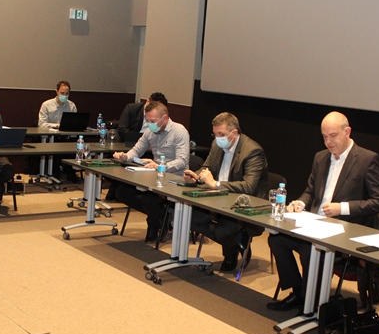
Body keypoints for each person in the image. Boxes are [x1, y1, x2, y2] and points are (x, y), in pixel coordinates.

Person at [267, 111, 379, 311]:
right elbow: (310, 190)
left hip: (345, 229)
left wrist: (343, 208)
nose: (328, 142)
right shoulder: (320, 157)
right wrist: (300, 203)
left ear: (347, 132)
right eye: (324, 137)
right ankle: (299, 291)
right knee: (277, 240)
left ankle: (312, 301)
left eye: (333, 136)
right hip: (314, 224)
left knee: (309, 250)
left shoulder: (367, 159)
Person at [183, 112, 268, 271]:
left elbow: (248, 186)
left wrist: (216, 184)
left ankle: (231, 251)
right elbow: (206, 168)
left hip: (243, 205)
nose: (217, 139)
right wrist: (196, 176)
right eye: (215, 134)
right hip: (217, 198)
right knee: (191, 219)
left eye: (221, 135)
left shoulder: (253, 151)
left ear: (234, 133)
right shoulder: (217, 145)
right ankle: (234, 241)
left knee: (222, 231)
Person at [113, 95, 190, 242]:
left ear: (164, 118)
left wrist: (160, 166)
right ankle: (160, 217)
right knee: (122, 192)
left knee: (149, 199)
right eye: (147, 121)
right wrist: (125, 157)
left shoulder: (179, 131)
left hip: (175, 179)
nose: (149, 124)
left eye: (152, 121)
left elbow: (182, 161)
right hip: (155, 178)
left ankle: (154, 223)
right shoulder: (150, 131)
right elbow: (137, 150)